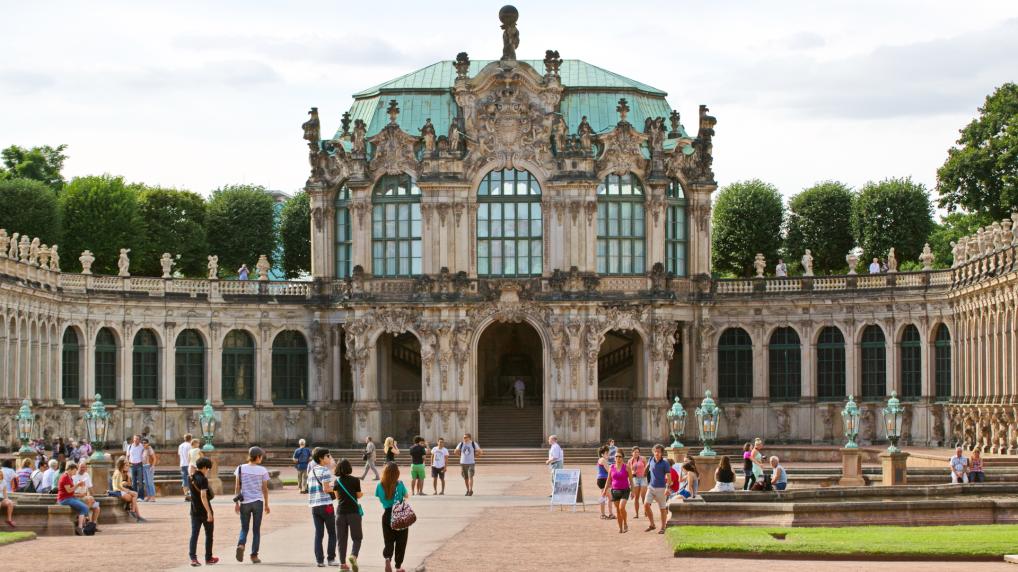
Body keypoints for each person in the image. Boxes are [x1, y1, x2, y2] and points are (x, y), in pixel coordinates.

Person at [234, 446, 271, 564]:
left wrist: (236, 503)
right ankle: (254, 555)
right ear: (258, 457)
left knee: (244, 528)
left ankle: (241, 545)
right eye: (261, 457)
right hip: (258, 502)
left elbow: (237, 487)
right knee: (256, 530)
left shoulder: (240, 468)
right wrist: (266, 504)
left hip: (244, 502)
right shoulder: (262, 470)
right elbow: (265, 489)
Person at [375, 462, 409, 572]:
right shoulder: (400, 484)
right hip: (400, 513)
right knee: (401, 541)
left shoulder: (380, 485)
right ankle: (398, 566)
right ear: (397, 473)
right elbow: (407, 496)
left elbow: (380, 498)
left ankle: (387, 558)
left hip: (387, 514)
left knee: (388, 540)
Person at [308, 447, 338, 567]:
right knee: (332, 532)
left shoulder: (312, 471)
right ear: (321, 458)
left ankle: (319, 560)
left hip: (314, 506)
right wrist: (336, 488)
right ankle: (331, 558)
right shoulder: (325, 471)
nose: (329, 458)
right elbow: (326, 489)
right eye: (328, 456)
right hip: (326, 505)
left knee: (319, 533)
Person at [334, 458, 363, 571]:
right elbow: (358, 495)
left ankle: (343, 565)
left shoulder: (337, 481)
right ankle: (353, 555)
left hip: (340, 513)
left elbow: (337, 497)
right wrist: (361, 494)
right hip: (353, 513)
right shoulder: (355, 480)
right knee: (357, 537)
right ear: (349, 468)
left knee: (341, 540)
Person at [189, 456, 219, 566]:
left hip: (194, 510)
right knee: (209, 535)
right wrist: (209, 512)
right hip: (204, 511)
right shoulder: (203, 479)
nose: (208, 471)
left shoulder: (191, 477)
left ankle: (193, 558)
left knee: (194, 535)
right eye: (208, 468)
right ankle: (208, 558)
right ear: (205, 467)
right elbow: (203, 496)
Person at [643, 444, 671, 534]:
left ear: (662, 453)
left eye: (658, 452)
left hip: (661, 488)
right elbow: (646, 470)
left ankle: (663, 527)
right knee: (646, 505)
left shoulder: (665, 463)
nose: (657, 453)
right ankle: (652, 524)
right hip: (651, 487)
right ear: (653, 452)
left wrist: (667, 488)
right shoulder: (651, 459)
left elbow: (668, 477)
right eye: (655, 451)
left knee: (662, 509)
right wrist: (644, 473)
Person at [57, 462, 89, 535]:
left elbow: (69, 491)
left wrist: (78, 494)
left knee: (85, 507)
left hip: (69, 497)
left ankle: (82, 525)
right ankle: (80, 527)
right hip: (64, 499)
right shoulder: (65, 477)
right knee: (84, 508)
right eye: (75, 470)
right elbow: (69, 490)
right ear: (70, 469)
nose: (76, 472)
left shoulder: (68, 477)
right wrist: (78, 484)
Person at [604, 450, 632, 533]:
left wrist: (633, 491)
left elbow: (631, 480)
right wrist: (605, 490)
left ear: (622, 458)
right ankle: (620, 528)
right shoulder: (611, 467)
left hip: (625, 490)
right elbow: (608, 480)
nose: (617, 458)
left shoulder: (627, 467)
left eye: (619, 456)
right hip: (615, 491)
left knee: (621, 507)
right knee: (618, 511)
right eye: (616, 456)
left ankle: (625, 523)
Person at [112, 457, 145, 522]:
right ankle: (134, 513)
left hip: (119, 490)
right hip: (118, 491)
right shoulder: (118, 473)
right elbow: (118, 486)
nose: (128, 466)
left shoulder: (118, 472)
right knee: (134, 496)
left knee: (134, 497)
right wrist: (126, 490)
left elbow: (127, 485)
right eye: (126, 465)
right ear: (122, 465)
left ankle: (137, 515)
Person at [72, 461, 102, 527]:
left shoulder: (86, 475)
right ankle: (86, 519)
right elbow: (71, 491)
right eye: (81, 467)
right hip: (77, 496)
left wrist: (92, 496)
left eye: (84, 467)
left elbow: (90, 488)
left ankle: (92, 525)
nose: (83, 469)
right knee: (89, 499)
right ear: (78, 467)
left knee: (97, 508)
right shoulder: (74, 475)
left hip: (84, 496)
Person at [595, 446, 614, 520]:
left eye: (608, 453)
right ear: (602, 454)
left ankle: (608, 514)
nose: (608, 454)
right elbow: (609, 470)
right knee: (608, 497)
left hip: (603, 479)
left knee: (606, 497)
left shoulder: (602, 459)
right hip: (603, 480)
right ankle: (606, 514)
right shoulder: (603, 460)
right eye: (606, 453)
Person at [628, 446, 647, 518]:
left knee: (643, 497)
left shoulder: (643, 458)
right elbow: (629, 473)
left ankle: (646, 511)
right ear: (632, 453)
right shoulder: (630, 461)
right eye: (635, 452)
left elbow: (647, 468)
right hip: (635, 479)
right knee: (636, 498)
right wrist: (630, 484)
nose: (636, 453)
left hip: (643, 478)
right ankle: (637, 514)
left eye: (638, 452)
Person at [126, 434, 147, 501]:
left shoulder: (141, 446)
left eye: (137, 439)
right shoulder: (129, 446)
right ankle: (135, 496)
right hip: (132, 465)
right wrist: (127, 464)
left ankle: (141, 497)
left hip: (139, 465)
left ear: (139, 440)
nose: (135, 440)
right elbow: (127, 456)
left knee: (140, 482)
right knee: (133, 482)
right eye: (135, 438)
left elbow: (147, 449)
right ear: (133, 439)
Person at [178, 433, 194, 499]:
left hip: (182, 464)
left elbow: (179, 454)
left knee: (184, 480)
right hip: (189, 464)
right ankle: (190, 495)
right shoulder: (190, 445)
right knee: (191, 479)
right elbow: (191, 455)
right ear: (190, 438)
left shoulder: (180, 445)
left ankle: (186, 495)